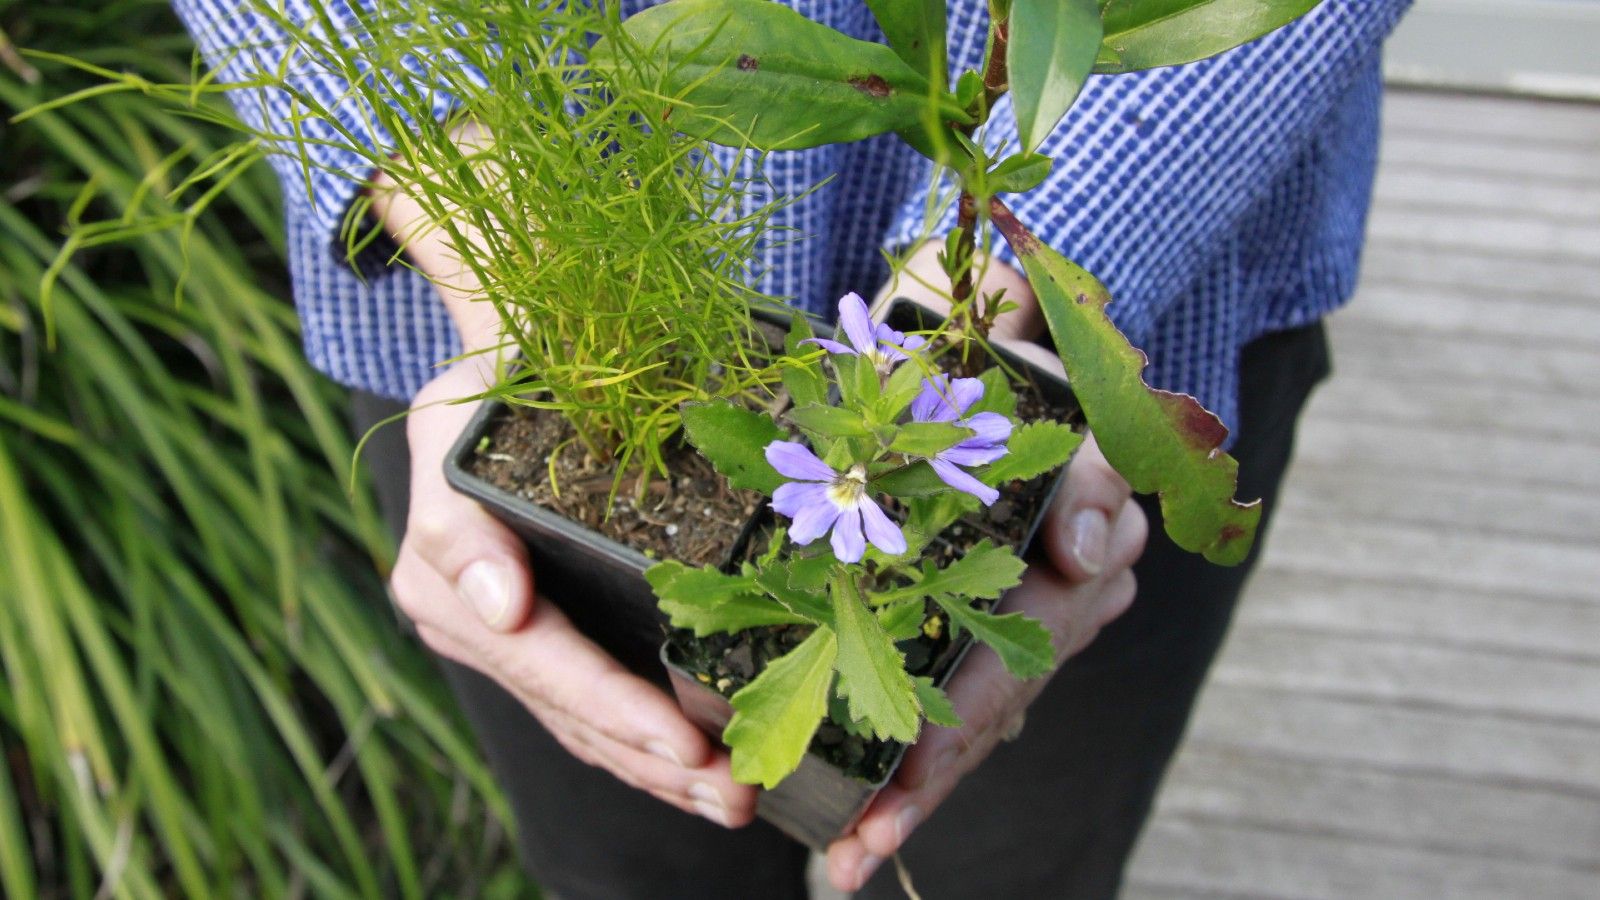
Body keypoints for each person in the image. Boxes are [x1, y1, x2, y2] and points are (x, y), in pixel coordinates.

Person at [175, 0, 1412, 896]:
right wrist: (487, 233)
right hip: (491, 306)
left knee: (1010, 864)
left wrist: (1027, 263)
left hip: (1141, 289)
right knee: (629, 869)